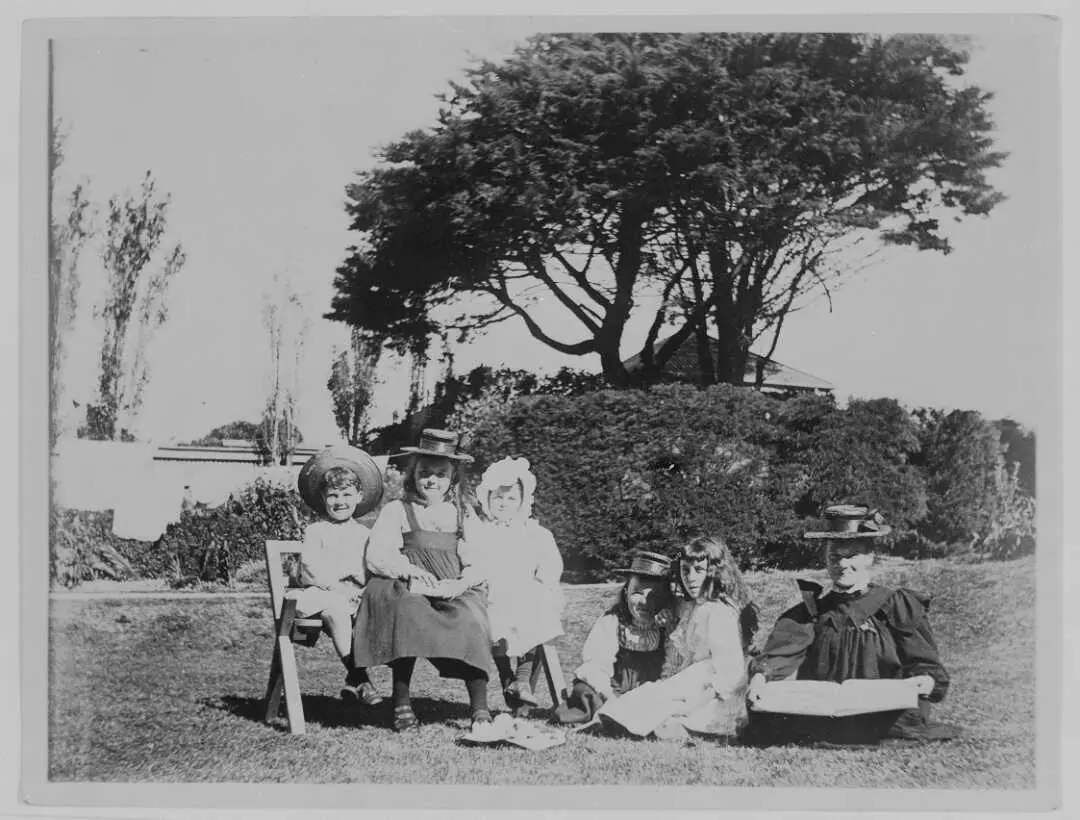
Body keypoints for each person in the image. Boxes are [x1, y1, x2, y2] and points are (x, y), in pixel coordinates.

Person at [746, 504, 960, 744]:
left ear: (869, 556)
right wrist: (760, 678)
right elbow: (782, 655)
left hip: (883, 713)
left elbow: (925, 665)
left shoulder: (895, 605)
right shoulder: (813, 611)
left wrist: (924, 682)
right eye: (835, 557)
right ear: (825, 559)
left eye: (851, 556)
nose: (842, 564)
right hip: (824, 712)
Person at [352, 429, 494, 733]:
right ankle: (401, 701)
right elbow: (378, 554)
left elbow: (479, 559)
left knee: (471, 619)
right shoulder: (397, 510)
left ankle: (480, 708)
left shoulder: (461, 513)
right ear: (413, 473)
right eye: (425, 473)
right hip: (408, 584)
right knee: (406, 610)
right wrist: (407, 569)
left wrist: (462, 582)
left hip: (451, 585)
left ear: (452, 478)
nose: (432, 480)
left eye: (440, 475)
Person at [585, 536, 757, 741]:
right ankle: (617, 720)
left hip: (714, 691)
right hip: (695, 678)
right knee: (652, 697)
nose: (690, 578)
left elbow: (729, 674)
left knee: (664, 710)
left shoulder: (719, 612)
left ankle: (676, 726)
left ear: (713, 572)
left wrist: (691, 705)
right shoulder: (695, 606)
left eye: (699, 570)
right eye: (685, 570)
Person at [292, 445, 387, 707]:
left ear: (358, 496)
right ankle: (360, 678)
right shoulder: (317, 531)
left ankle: (355, 681)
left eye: (346, 494)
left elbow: (370, 569)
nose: (340, 501)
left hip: (355, 600)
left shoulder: (365, 535)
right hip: (320, 596)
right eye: (333, 495)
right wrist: (337, 588)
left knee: (369, 608)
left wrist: (361, 588)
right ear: (323, 498)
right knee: (335, 608)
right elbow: (309, 570)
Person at [472, 457, 565, 714]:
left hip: (526, 593)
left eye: (511, 498)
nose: (503, 503)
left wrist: (542, 584)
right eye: (498, 497)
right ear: (488, 498)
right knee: (494, 623)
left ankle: (522, 680)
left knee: (536, 611)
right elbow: (473, 562)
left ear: (523, 501)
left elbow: (550, 564)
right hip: (492, 594)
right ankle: (506, 677)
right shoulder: (481, 531)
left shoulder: (534, 532)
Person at [554, 551, 675, 725]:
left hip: (650, 693)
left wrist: (670, 628)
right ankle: (610, 715)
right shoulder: (613, 620)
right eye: (637, 593)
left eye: (654, 596)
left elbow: (673, 671)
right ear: (626, 592)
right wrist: (610, 696)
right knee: (585, 689)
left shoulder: (669, 625)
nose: (645, 603)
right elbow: (595, 664)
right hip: (612, 691)